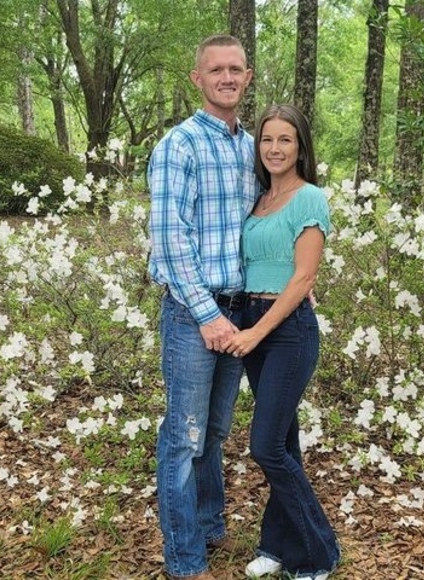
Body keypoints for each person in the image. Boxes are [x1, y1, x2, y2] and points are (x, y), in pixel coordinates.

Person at [147, 34, 258, 580]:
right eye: (216, 70)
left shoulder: (253, 147)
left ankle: (210, 525)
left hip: (240, 311)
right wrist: (207, 315)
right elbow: (170, 240)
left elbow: (264, 224)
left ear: (248, 76)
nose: (227, 77)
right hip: (195, 315)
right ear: (198, 78)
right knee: (184, 437)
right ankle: (186, 561)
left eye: (235, 69)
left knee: (214, 432)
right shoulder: (180, 145)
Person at [224, 104, 340, 580]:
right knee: (285, 445)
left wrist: (257, 330)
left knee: (266, 447)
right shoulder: (259, 200)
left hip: (287, 330)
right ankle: (277, 545)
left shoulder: (309, 198)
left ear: (300, 147)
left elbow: (304, 276)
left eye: (285, 139)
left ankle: (318, 552)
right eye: (267, 139)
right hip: (253, 319)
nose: (274, 148)